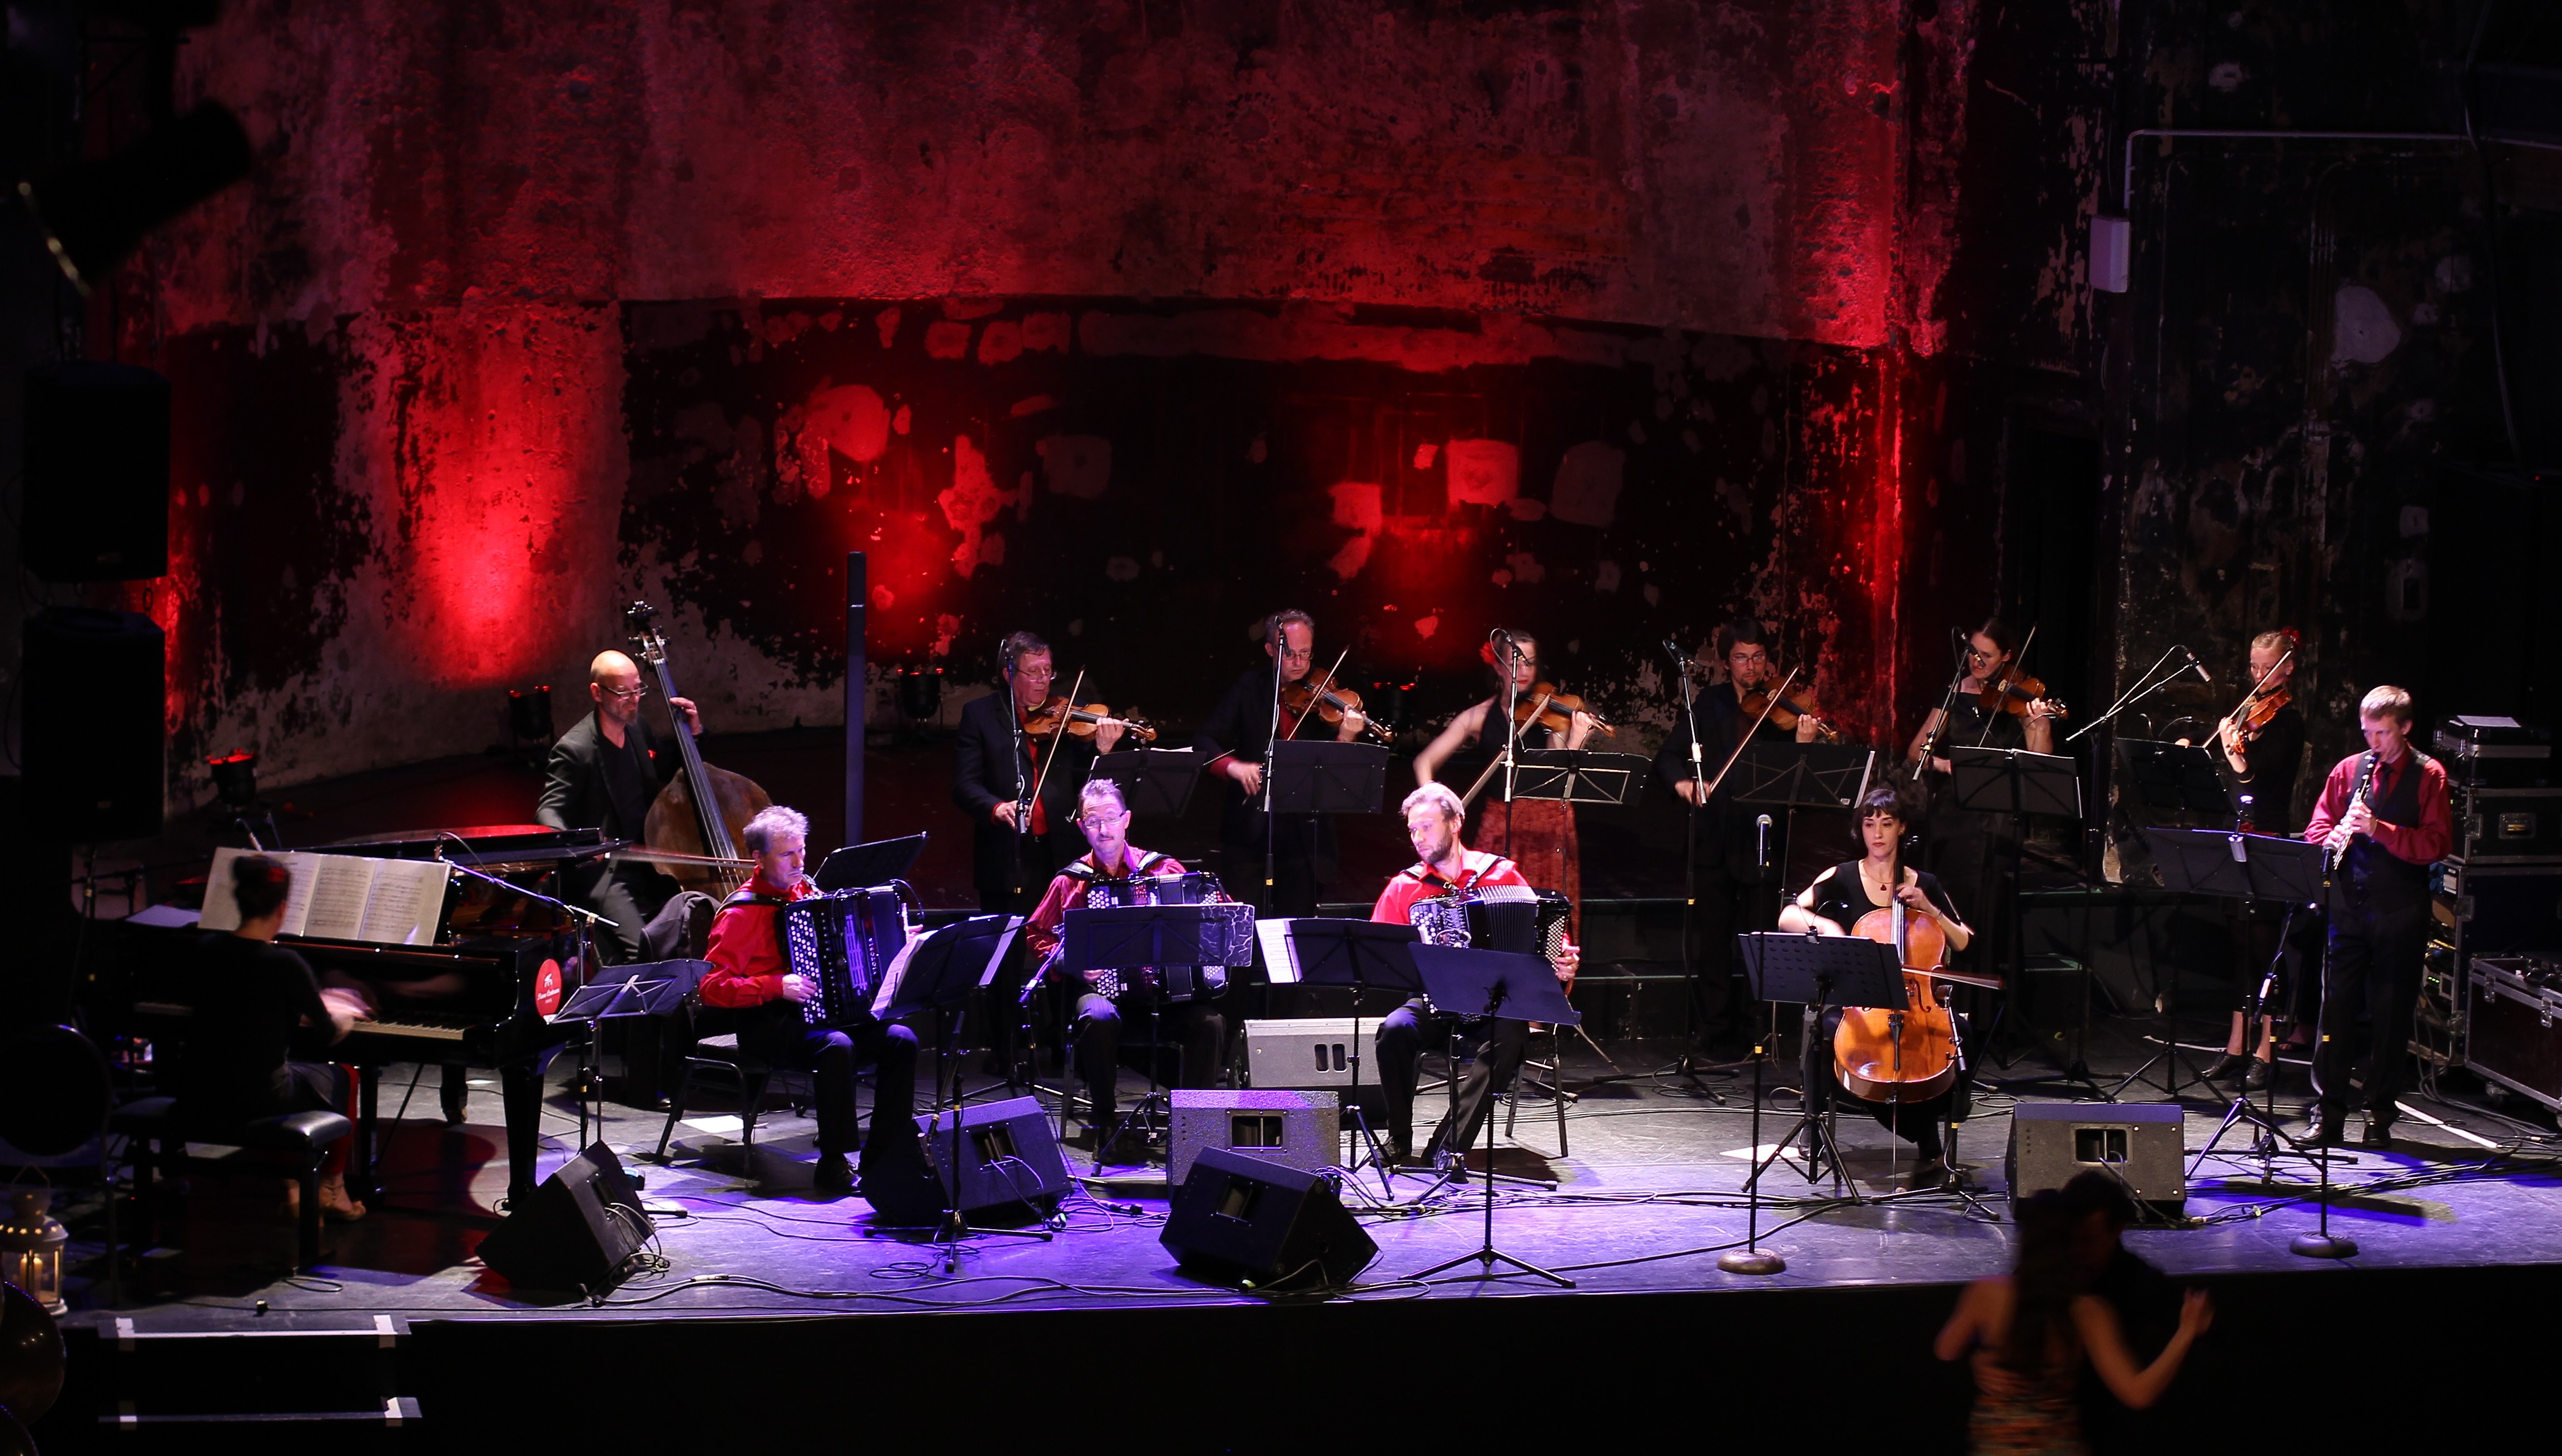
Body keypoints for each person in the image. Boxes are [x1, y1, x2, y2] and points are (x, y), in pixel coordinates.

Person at [692, 806, 922, 1195]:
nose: (800, 861)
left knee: (901, 1037)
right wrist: (773, 985)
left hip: (819, 1016)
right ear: (759, 859)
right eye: (787, 854)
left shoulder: (809, 893)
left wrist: (897, 939)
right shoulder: (739, 913)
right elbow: (711, 987)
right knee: (838, 1045)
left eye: (802, 850)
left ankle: (883, 1156)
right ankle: (833, 1163)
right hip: (767, 1024)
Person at [1368, 782, 1581, 1164]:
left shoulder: (1501, 874)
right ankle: (1398, 1137)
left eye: (1427, 826)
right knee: (1394, 1029)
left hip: (1491, 1004)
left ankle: (1449, 1143)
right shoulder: (1405, 887)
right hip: (1433, 1002)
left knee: (1509, 1035)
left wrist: (1562, 959)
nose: (1418, 837)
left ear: (1456, 822)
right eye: (1413, 829)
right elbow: (1378, 951)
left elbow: (1549, 936)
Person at [1023, 778, 1228, 1161]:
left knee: (1210, 1022)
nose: (1103, 829)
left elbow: (1213, 913)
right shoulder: (1071, 881)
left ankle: (1198, 1132)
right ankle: (1106, 1123)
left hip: (1164, 998)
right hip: (1105, 996)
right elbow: (1036, 933)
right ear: (1082, 827)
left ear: (1126, 820)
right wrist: (1073, 962)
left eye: (1111, 818)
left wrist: (1211, 904)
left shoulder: (1163, 868)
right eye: (1092, 820)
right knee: (1095, 1015)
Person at [1780, 784, 1975, 1179]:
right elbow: (1789, 914)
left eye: (1887, 823)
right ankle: (1816, 1130)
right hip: (1859, 999)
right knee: (1828, 1031)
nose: (1878, 833)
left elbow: (1963, 939)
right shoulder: (1842, 876)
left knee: (1961, 1034)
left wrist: (1929, 908)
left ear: (1902, 828)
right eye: (1870, 824)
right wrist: (1828, 925)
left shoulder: (1924, 883)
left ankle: (1930, 1131)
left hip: (1914, 1001)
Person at [1655, 618, 1821, 1061]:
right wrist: (1685, 786)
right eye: (1742, 658)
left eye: (1759, 657)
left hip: (1763, 839)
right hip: (1715, 837)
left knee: (1761, 941)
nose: (1752, 667)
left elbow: (1803, 785)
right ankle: (1714, 1031)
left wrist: (1804, 745)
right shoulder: (1707, 703)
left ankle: (1758, 1033)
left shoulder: (1783, 710)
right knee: (1713, 941)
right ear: (1726, 662)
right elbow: (1669, 756)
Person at [1935, 1191, 2213, 1453]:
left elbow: (1947, 1350)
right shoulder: (2088, 1311)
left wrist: (1982, 1356)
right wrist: (2187, 1331)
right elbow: (2138, 1394)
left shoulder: (1987, 1293)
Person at [176, 854, 369, 1220]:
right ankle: (335, 1190)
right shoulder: (285, 963)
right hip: (257, 1096)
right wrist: (341, 1011)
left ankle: (292, 1187)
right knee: (346, 1074)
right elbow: (327, 1033)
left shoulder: (206, 950)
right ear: (283, 908)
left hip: (198, 1089)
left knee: (272, 1068)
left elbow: (232, 1006)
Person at [2301, 684, 2453, 1147]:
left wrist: (2379, 829)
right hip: (2347, 908)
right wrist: (2328, 838)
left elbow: (2436, 845)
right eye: (2368, 732)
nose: (2374, 743)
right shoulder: (2350, 769)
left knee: (2390, 1017)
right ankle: (2327, 1115)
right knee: (2335, 1014)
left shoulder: (2430, 775)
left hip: (2399, 911)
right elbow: (2317, 823)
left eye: (2383, 733)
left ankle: (2379, 1117)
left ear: (2405, 729)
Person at [1903, 619, 2062, 984]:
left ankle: (1985, 1003)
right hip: (1953, 819)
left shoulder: (2019, 698)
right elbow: (1916, 751)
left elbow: (2040, 763)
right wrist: (1943, 764)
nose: (1977, 661)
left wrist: (2040, 725)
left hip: (1999, 822)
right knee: (1953, 903)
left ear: (2007, 657)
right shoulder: (1954, 693)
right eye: (1973, 652)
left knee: (1990, 909)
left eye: (1987, 655)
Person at [535, 649, 717, 964]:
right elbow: (549, 812)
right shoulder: (574, 750)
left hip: (652, 861)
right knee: (647, 953)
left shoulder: (637, 728)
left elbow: (669, 769)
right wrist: (577, 845)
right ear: (597, 692)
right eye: (623, 692)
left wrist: (693, 733)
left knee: (704, 926)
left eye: (638, 689)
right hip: (608, 873)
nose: (634, 699)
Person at [1413, 630, 1598, 937]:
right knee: (1490, 913)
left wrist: (1576, 738)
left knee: (1548, 918)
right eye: (1516, 663)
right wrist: (1432, 805)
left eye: (1531, 664)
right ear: (1497, 666)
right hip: (1500, 824)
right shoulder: (1479, 716)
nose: (1524, 672)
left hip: (1549, 827)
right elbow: (1424, 762)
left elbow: (1560, 768)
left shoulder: (1549, 714)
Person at [1195, 609, 1371, 918]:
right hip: (1250, 834)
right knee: (1245, 932)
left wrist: (1346, 735)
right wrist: (1235, 767)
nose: (1300, 663)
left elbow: (1337, 773)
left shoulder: (1325, 694)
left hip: (1306, 839)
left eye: (1306, 653)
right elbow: (1205, 742)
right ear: (1270, 650)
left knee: (1295, 933)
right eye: (1290, 654)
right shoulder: (1249, 688)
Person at [2199, 629, 2309, 1090]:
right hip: (2238, 833)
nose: (2258, 676)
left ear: (2287, 668)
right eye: (2253, 666)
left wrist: (2232, 750)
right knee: (2239, 945)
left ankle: (2266, 1048)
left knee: (2267, 949)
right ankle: (2235, 1045)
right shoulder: (2250, 713)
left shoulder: (2288, 721)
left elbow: (2258, 779)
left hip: (2267, 835)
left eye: (2268, 667)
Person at [952, 631, 1125, 915]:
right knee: (1008, 951)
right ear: (1010, 675)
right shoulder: (979, 715)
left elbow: (1088, 786)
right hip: (1007, 856)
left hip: (1061, 851)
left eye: (1047, 670)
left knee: (1066, 949)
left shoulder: (1066, 712)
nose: (1043, 679)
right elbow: (964, 785)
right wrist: (996, 808)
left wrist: (1102, 751)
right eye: (1033, 672)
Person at [2057, 1172, 2183, 1455]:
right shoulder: (2045, 1273)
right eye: (2070, 1238)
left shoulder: (2148, 1290)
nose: (2077, 1251)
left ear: (2118, 1230)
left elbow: (2140, 1394)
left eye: (2088, 1241)